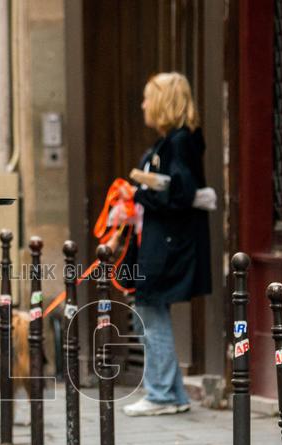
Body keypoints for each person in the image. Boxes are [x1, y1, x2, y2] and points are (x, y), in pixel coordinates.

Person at [115, 72, 211, 417]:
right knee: (149, 313)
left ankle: (161, 394)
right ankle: (173, 393)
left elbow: (181, 194)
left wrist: (140, 191)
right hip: (161, 238)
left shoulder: (179, 142)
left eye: (147, 97)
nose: (142, 104)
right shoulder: (171, 141)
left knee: (151, 313)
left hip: (168, 241)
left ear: (163, 101)